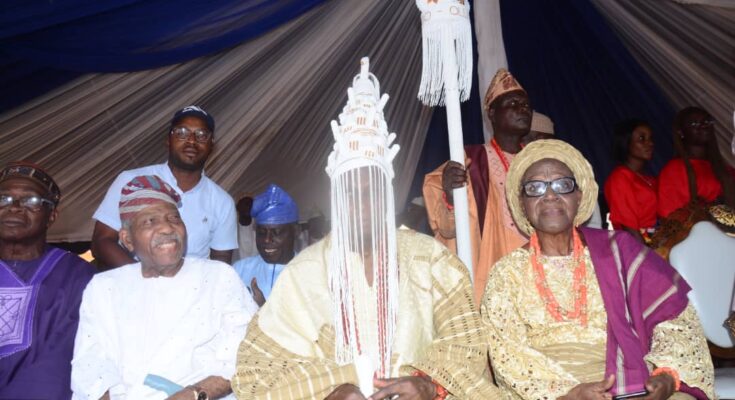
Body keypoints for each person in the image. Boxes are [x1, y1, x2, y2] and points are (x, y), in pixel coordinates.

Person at [232, 58, 498, 400]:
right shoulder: (305, 270)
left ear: (388, 194)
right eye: (349, 194)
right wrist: (337, 385)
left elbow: (466, 343)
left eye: (370, 191)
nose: (360, 205)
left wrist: (429, 383)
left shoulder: (431, 259)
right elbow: (256, 372)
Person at [482, 139, 715, 399]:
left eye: (562, 185)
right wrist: (568, 393)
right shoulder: (506, 273)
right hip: (551, 390)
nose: (549, 195)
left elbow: (674, 317)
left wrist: (667, 374)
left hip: (631, 379)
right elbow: (506, 353)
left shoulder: (620, 250)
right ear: (522, 204)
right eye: (535, 187)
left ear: (578, 197)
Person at [71, 175, 257, 400]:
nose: (167, 228)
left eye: (174, 219)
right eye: (150, 221)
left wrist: (193, 394)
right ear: (128, 240)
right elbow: (90, 367)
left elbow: (248, 354)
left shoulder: (218, 276)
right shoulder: (104, 288)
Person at [423, 68, 530, 302]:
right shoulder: (471, 160)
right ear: (492, 113)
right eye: (513, 103)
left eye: (526, 105)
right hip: (491, 270)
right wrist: (450, 198)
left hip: (535, 270)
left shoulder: (539, 161)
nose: (523, 109)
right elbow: (447, 229)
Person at [91, 106, 237, 269]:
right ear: (168, 139)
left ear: (211, 145)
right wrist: (146, 283)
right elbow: (101, 242)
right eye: (182, 132)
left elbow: (221, 265)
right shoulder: (131, 181)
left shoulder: (222, 202)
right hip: (131, 286)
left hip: (189, 292)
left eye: (202, 135)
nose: (191, 141)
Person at [0, 162, 96, 400]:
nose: (15, 208)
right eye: (4, 198)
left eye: (31, 201)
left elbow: (71, 361)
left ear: (51, 215)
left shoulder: (80, 277)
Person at [658, 106, 735, 218]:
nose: (703, 126)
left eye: (707, 121)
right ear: (681, 132)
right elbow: (669, 215)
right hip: (698, 232)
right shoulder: (675, 169)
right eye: (695, 123)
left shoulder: (723, 169)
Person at [233, 184, 298, 307]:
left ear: (296, 231)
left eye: (276, 232)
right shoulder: (239, 270)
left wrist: (263, 310)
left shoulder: (311, 273)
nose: (267, 240)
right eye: (261, 232)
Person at [604, 118, 657, 243]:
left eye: (650, 138)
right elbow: (628, 227)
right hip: (637, 244)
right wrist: (646, 256)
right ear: (626, 143)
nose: (650, 143)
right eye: (641, 139)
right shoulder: (620, 177)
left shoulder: (648, 178)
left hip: (655, 240)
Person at [235, 195, 257, 261]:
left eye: (250, 206)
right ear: (238, 209)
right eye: (245, 205)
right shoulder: (232, 228)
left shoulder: (258, 227)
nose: (247, 208)